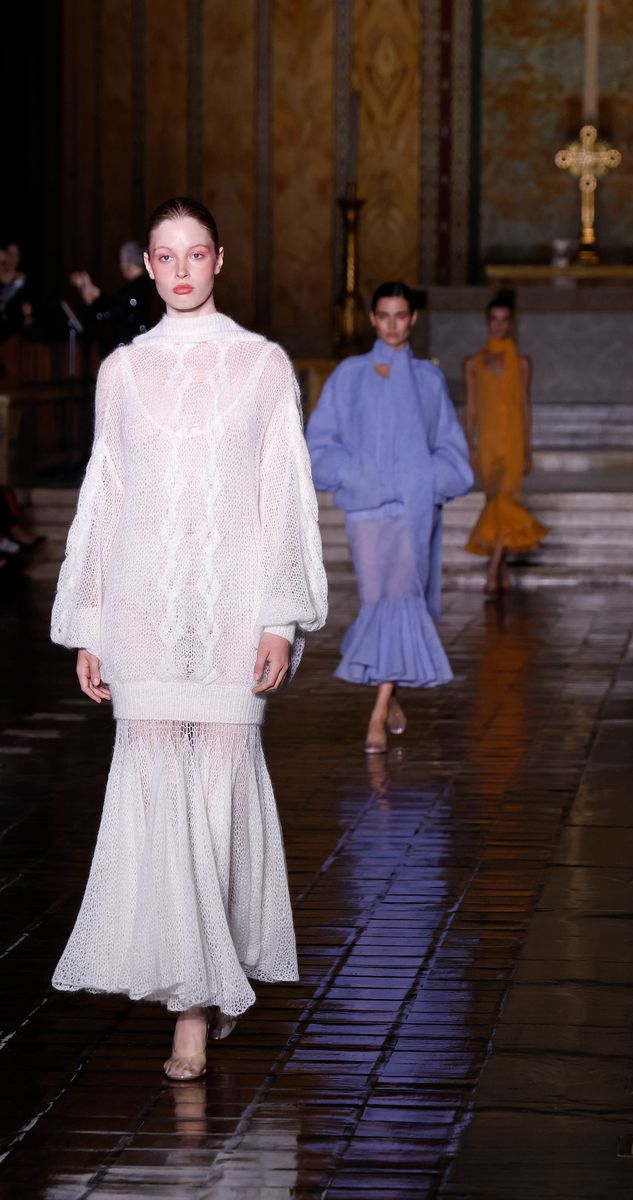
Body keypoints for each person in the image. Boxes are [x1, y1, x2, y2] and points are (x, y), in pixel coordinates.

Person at [50, 196, 327, 1081]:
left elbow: (284, 495)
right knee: (157, 786)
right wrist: (90, 623)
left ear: (219, 261)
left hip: (230, 607)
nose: (178, 270)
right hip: (141, 609)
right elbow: (104, 499)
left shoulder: (262, 364)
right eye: (163, 257)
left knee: (216, 789)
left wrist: (278, 617)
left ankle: (202, 996)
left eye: (194, 253)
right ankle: (190, 1007)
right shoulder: (123, 371)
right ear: (149, 267)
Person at [306, 282, 472, 754]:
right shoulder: (349, 375)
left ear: (413, 318)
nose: (393, 324)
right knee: (377, 602)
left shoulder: (428, 380)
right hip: (366, 511)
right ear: (373, 320)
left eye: (402, 315)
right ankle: (392, 691)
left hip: (413, 511)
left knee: (400, 599)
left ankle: (377, 713)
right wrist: (355, 475)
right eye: (385, 316)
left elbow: (450, 448)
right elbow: (319, 441)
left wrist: (422, 478)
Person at [463, 293, 548, 593]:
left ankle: (492, 569)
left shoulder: (522, 363)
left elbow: (524, 405)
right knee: (493, 504)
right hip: (487, 442)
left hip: (512, 441)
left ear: (511, 324)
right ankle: (503, 569)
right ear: (487, 323)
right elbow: (471, 407)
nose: (498, 325)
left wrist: (527, 448)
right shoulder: (473, 363)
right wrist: (468, 445)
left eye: (504, 320)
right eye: (494, 319)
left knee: (505, 502)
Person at [70, 240, 155, 354]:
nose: (120, 266)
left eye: (122, 261)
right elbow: (116, 305)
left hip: (129, 350)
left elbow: (113, 314)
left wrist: (92, 298)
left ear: (128, 263)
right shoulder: (140, 286)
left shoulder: (137, 288)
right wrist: (95, 293)